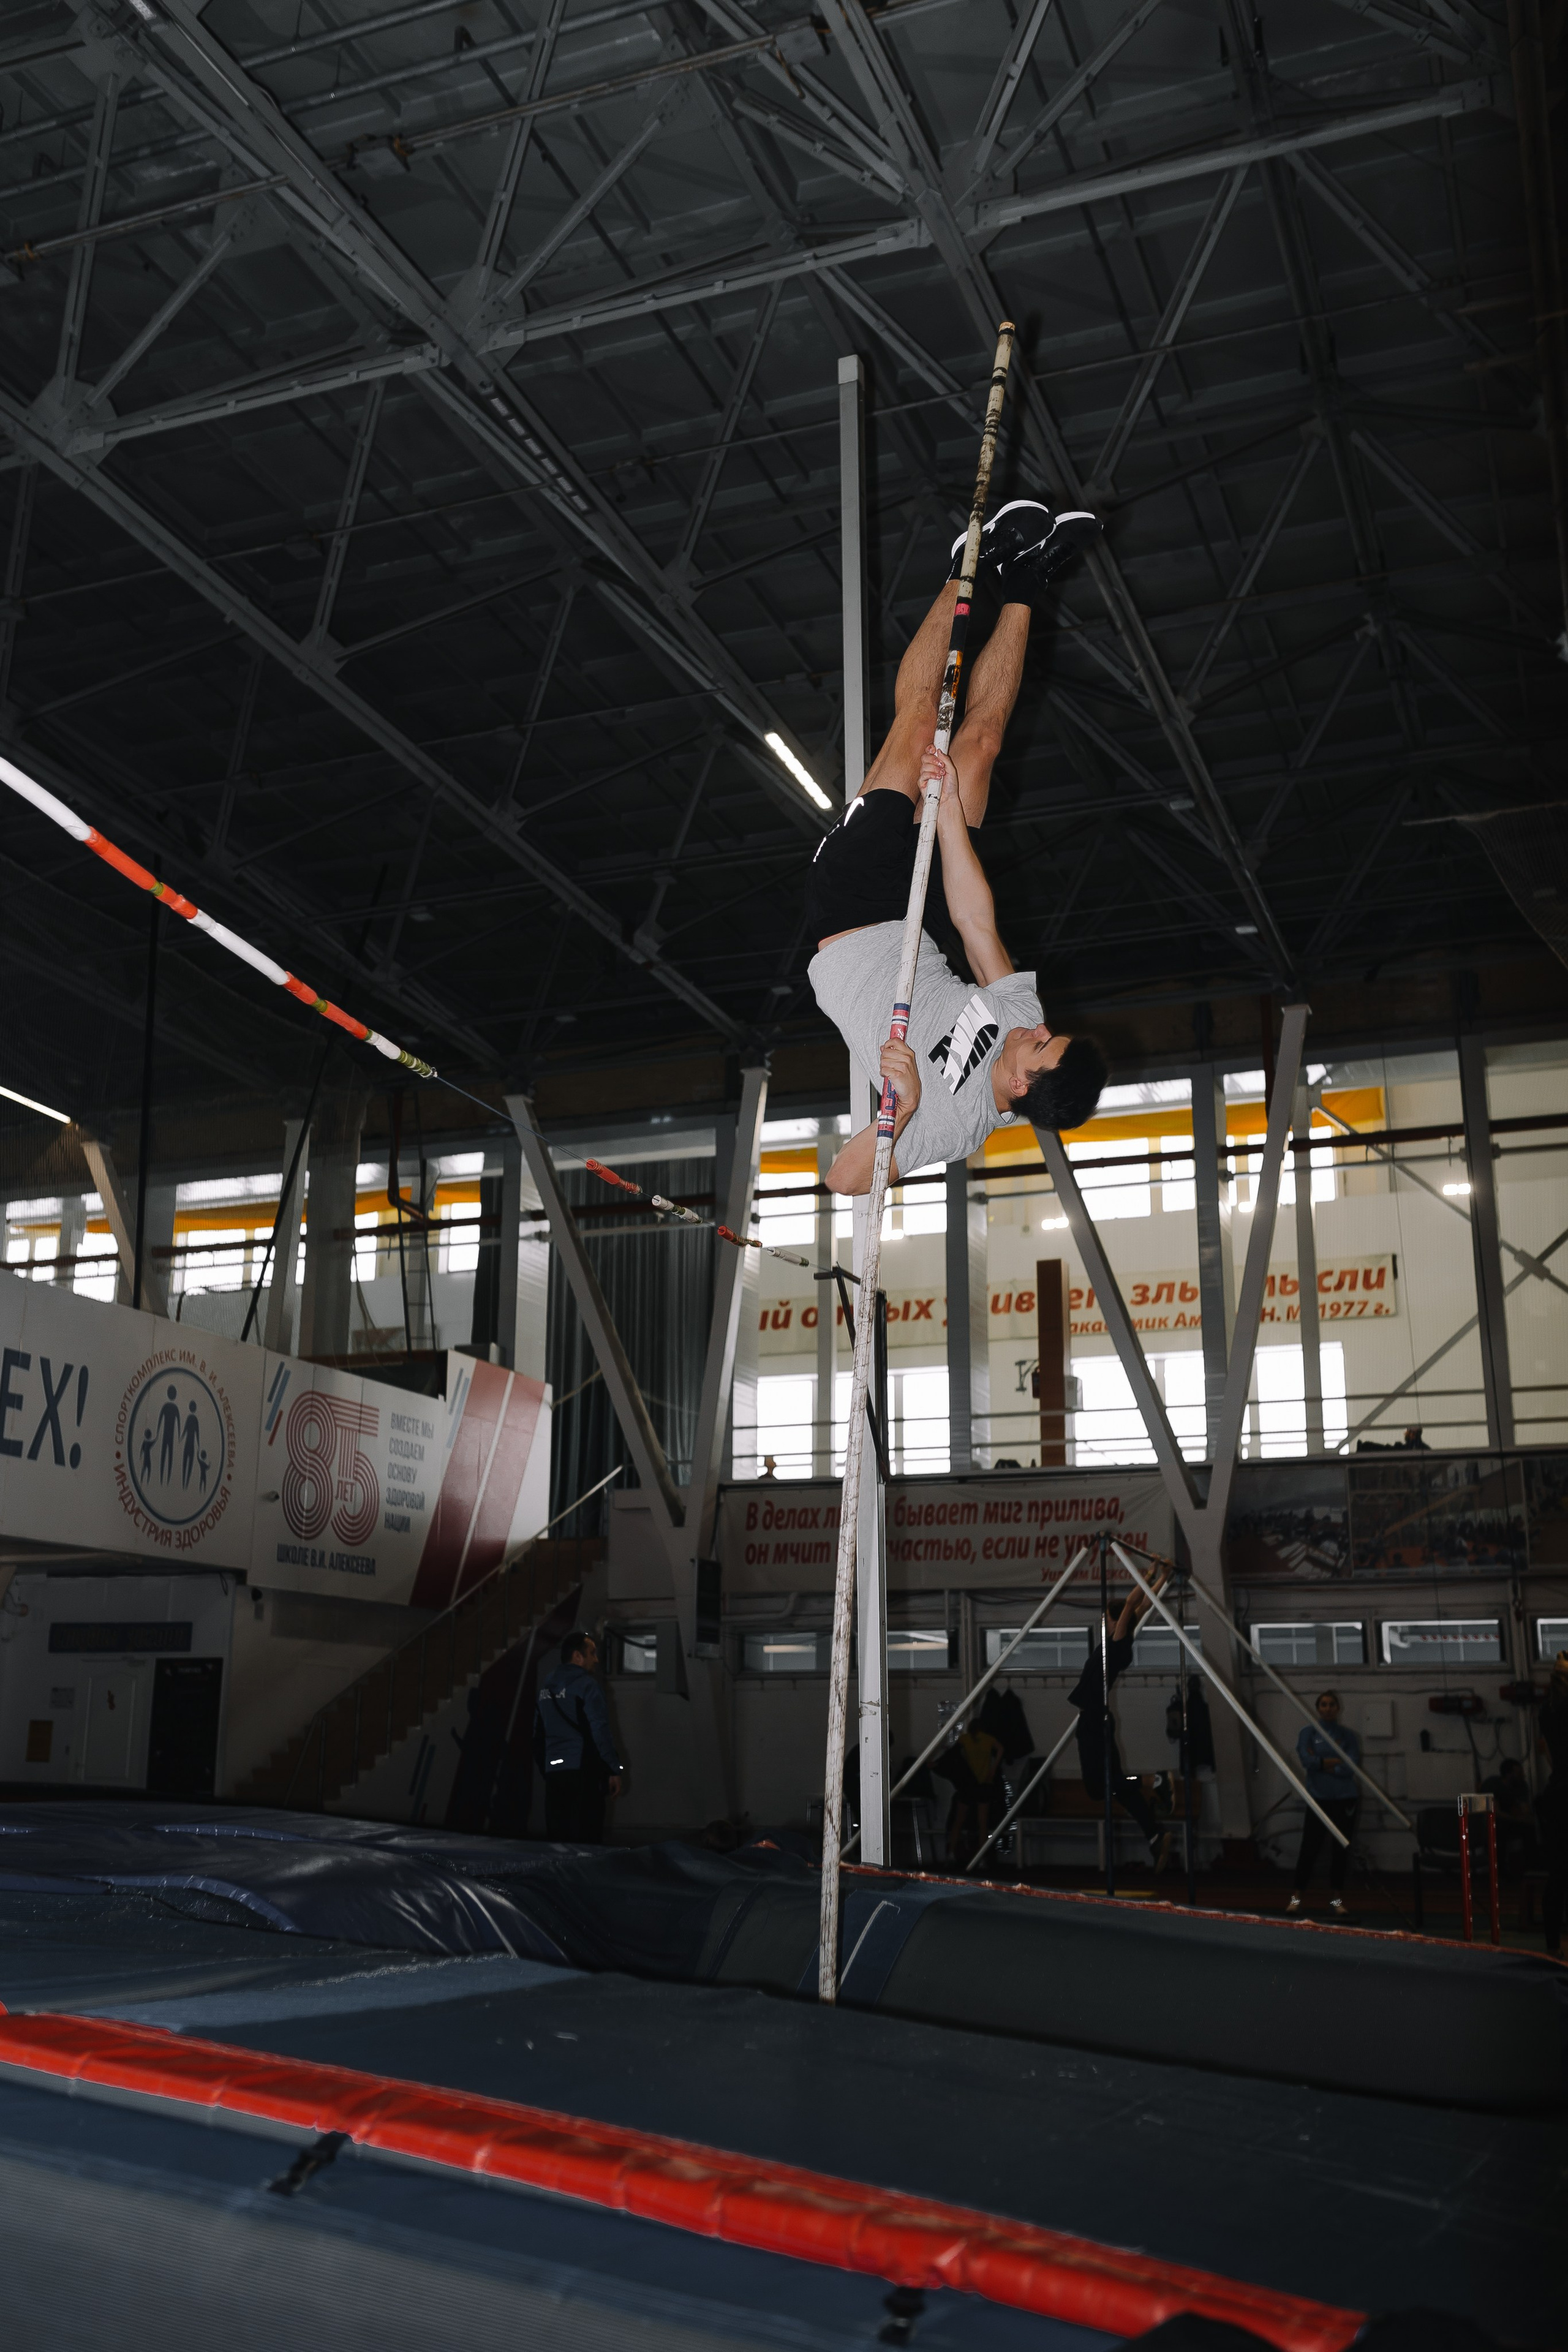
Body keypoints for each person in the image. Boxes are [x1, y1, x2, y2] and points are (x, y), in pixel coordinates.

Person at [806, 502, 1107, 1194]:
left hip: (849, 918)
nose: (1037, 1030)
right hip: (924, 922)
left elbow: (843, 1180)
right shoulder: (1020, 1023)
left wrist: (902, 1110)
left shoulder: (953, 1125)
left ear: (1024, 1083)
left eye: (1039, 1046)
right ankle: (1027, 578)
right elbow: (975, 924)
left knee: (919, 729)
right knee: (978, 746)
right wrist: (943, 822)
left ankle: (964, 567)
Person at [1068, 1569, 1171, 1869]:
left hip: (1093, 1723)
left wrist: (1149, 1574)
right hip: (1099, 1720)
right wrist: (1160, 1578)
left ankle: (1153, 1780)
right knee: (1119, 1790)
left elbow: (1130, 1606)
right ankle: (1155, 1837)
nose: (1103, 1621)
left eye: (1105, 1617)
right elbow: (1143, 1606)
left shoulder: (1115, 1642)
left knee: (1097, 1789)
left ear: (1114, 1622)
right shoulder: (1119, 1643)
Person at [533, 1629, 624, 1842]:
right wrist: (613, 1768)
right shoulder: (587, 1686)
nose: (596, 1659)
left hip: (555, 1772)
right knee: (587, 1842)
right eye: (592, 1653)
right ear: (578, 1656)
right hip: (583, 1772)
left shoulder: (545, 1687)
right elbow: (600, 1731)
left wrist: (547, 1768)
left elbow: (538, 1735)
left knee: (558, 1841)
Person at [1286, 1690, 1360, 1915]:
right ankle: (1296, 1899)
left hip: (1345, 1799)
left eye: (1332, 1705)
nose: (1328, 1708)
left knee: (1340, 1851)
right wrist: (1334, 1762)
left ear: (1338, 1709)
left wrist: (1323, 1764)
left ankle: (1337, 1901)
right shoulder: (1308, 1733)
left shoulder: (1348, 1736)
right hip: (1318, 1799)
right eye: (1324, 1705)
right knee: (1309, 1849)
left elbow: (1351, 1766)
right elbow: (1308, 1762)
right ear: (1318, 1709)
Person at [1537, 1650, 1568, 1957]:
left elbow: (1549, 1754)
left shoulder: (1547, 1710)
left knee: (1558, 1874)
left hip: (1557, 1794)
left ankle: (1551, 1948)